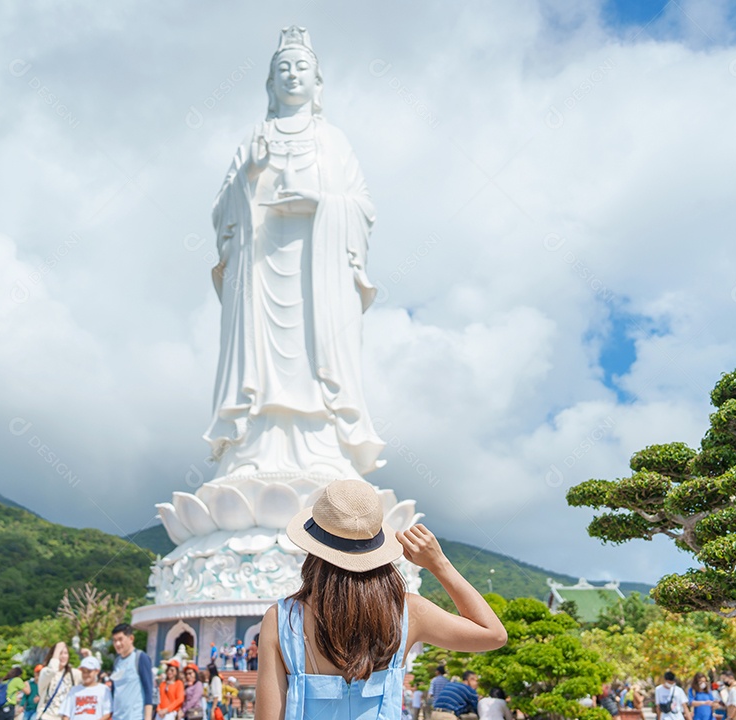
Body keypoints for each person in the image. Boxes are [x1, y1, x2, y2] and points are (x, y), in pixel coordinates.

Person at [205, 26, 385, 484]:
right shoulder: (253, 138)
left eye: (301, 67)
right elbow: (220, 213)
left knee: (315, 353)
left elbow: (363, 208)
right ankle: (252, 451)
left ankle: (323, 451)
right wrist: (248, 174)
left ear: (317, 82)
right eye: (282, 68)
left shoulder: (334, 141)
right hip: (260, 269)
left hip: (316, 273)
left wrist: (321, 203)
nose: (291, 75)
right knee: (259, 362)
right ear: (270, 83)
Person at [256, 478, 508, 720]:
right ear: (377, 546)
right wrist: (439, 564)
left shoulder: (282, 619)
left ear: (313, 547)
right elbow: (494, 634)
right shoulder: (406, 611)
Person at [110, 624, 154, 720]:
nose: (117, 644)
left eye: (120, 639)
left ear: (131, 638)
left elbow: (148, 691)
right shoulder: (117, 662)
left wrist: (148, 718)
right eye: (115, 640)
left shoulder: (140, 658)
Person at [39, 643, 82, 720]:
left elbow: (90, 679)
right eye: (60, 653)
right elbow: (52, 670)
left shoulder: (73, 673)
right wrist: (57, 648)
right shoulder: (45, 672)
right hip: (48, 717)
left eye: (65, 653)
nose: (63, 656)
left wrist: (89, 657)